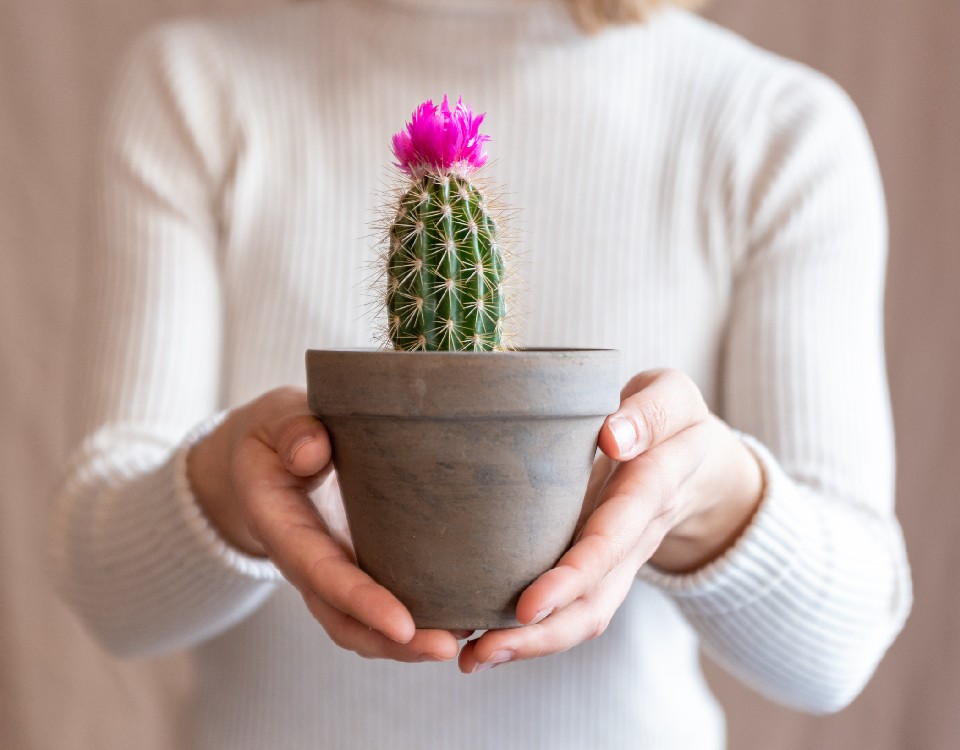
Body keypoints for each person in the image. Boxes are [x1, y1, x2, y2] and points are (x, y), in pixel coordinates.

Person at [49, 0, 912, 747]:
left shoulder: (778, 127)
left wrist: (708, 494)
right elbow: (106, 593)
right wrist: (229, 481)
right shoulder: (192, 89)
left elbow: (839, 650)